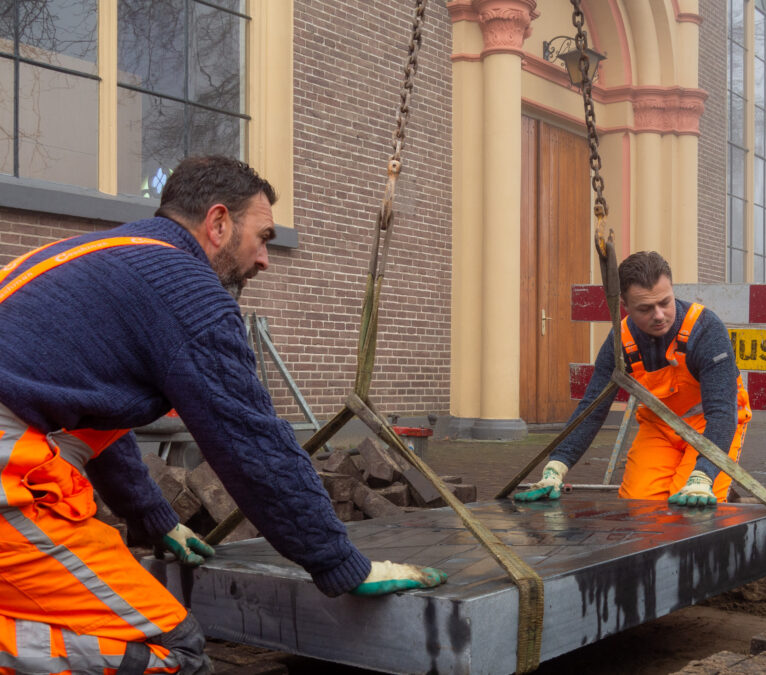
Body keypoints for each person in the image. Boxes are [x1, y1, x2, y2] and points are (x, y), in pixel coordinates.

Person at [0, 156, 447, 674]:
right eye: (262, 236)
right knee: (175, 652)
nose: (265, 259)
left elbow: (89, 411)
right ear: (218, 223)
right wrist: (341, 562)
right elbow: (253, 444)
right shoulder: (188, 291)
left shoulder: (98, 257)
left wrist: (153, 516)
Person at [516, 251, 751, 508]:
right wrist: (556, 466)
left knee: (694, 509)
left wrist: (703, 474)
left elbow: (721, 412)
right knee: (638, 508)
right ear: (625, 306)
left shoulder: (706, 330)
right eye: (645, 308)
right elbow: (593, 407)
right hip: (659, 429)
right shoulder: (622, 340)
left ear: (672, 290)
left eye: (665, 302)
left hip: (710, 428)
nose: (659, 315)